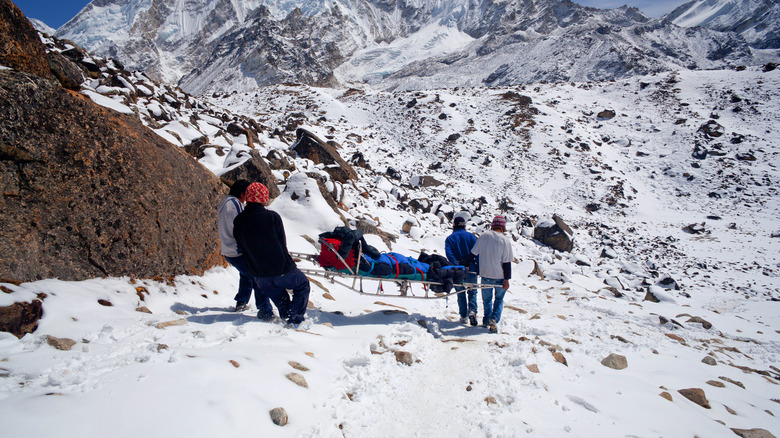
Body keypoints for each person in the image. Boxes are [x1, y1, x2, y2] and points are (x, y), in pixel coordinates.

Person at [233, 182, 310, 327]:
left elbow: (241, 246)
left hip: (259, 276)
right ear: (263, 198)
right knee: (302, 285)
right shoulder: (272, 217)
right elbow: (282, 244)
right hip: (280, 269)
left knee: (280, 297)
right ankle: (296, 320)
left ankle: (288, 319)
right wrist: (290, 264)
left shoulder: (238, 221)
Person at [217, 179, 273, 318]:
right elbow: (242, 226)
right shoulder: (235, 204)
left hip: (228, 249)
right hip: (237, 249)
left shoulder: (225, 202)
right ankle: (265, 310)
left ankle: (242, 301)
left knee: (246, 275)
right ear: (242, 193)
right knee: (258, 277)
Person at [463, 215, 513, 333]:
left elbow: (473, 253)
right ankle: (494, 320)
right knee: (499, 300)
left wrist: (466, 264)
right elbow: (507, 263)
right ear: (503, 227)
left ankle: (486, 320)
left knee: (487, 300)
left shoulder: (484, 236)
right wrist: (507, 280)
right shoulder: (505, 241)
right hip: (500, 276)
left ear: (493, 225)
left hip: (485, 274)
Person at [445, 215, 479, 326]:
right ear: (464, 225)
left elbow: (449, 255)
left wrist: (457, 265)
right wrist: (478, 268)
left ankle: (463, 316)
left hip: (458, 270)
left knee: (460, 293)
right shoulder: (471, 237)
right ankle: (472, 312)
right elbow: (477, 253)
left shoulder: (450, 239)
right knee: (472, 292)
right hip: (472, 269)